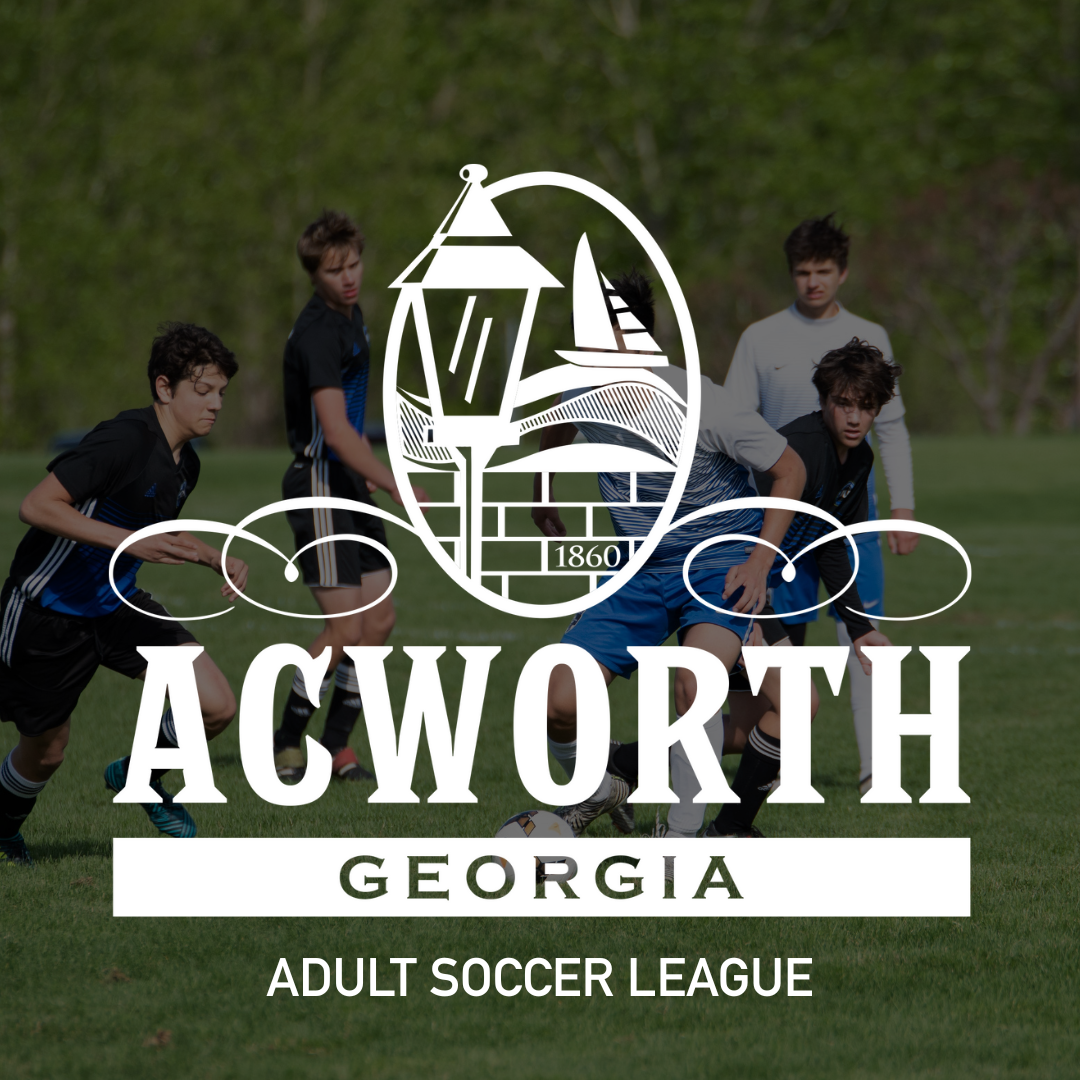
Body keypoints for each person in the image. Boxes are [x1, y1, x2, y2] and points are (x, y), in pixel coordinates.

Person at [531, 270, 807, 836]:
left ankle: (681, 840)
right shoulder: (584, 392)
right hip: (636, 568)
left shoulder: (702, 404)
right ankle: (601, 789)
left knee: (695, 686)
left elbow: (790, 469)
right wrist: (542, 490)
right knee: (556, 700)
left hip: (716, 566)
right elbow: (556, 425)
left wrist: (759, 561)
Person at [0, 324, 246, 865]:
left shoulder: (187, 464)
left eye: (222, 393)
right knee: (46, 753)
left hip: (117, 605)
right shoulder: (124, 440)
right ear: (164, 387)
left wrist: (213, 555)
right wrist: (129, 542)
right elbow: (37, 506)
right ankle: (3, 830)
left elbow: (154, 529)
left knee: (215, 704)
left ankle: (141, 774)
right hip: (48, 613)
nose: (216, 404)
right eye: (203, 390)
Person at [652, 339, 898, 838]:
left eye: (866, 406)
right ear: (824, 400)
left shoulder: (858, 460)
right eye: (844, 403)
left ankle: (623, 768)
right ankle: (717, 827)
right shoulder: (797, 450)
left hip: (755, 596)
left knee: (753, 723)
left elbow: (832, 545)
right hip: (726, 585)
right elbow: (740, 528)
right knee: (785, 705)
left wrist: (859, 628)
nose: (854, 417)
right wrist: (749, 619)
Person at [724, 214, 918, 794]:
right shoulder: (760, 337)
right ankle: (778, 760)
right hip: (776, 507)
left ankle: (875, 768)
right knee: (783, 636)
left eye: (824, 271)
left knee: (862, 626)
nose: (813, 282)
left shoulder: (870, 336)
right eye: (803, 272)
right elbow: (732, 424)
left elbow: (892, 428)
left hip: (846, 502)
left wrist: (903, 506)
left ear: (843, 273)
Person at [273, 210, 427, 783]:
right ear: (313, 274)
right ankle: (286, 741)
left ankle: (335, 745)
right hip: (318, 483)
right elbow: (334, 433)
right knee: (345, 630)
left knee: (378, 621)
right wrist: (394, 483)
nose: (349, 277)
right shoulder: (318, 333)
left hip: (347, 481)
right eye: (334, 270)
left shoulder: (352, 317)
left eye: (354, 264)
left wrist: (372, 477)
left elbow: (353, 421)